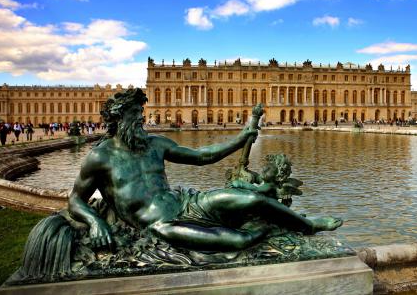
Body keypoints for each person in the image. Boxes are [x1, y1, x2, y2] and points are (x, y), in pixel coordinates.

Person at [68, 89, 341, 252]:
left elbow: (202, 156)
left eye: (141, 111)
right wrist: (95, 221)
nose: (142, 117)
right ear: (119, 118)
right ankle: (267, 230)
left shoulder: (154, 144)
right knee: (237, 241)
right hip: (161, 225)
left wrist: (241, 137)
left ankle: (307, 225)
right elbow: (75, 200)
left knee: (256, 199)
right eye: (135, 113)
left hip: (187, 202)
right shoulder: (100, 157)